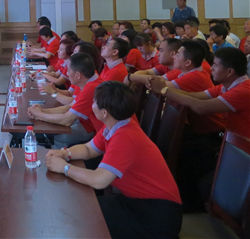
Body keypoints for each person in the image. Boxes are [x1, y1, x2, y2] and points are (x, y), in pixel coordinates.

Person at [45, 81, 182, 239]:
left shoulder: (125, 136)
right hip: (135, 201)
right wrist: (65, 154)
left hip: (155, 215)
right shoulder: (116, 124)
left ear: (104, 112)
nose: (92, 105)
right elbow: (89, 149)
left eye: (94, 102)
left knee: (82, 215)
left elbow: (99, 180)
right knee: (82, 207)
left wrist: (64, 168)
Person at [149, 48, 249, 211]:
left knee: (196, 168)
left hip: (242, 151)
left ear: (230, 71)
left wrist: (164, 90)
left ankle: (192, 205)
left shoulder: (243, 90)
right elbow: (195, 96)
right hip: (229, 143)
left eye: (216, 65)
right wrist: (163, 88)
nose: (211, 68)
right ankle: (179, 200)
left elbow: (201, 107)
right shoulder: (226, 86)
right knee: (185, 153)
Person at [29, 52, 104, 149]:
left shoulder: (91, 88)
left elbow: (67, 120)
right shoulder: (89, 81)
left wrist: (39, 115)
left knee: (59, 136)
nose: (67, 74)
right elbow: (70, 106)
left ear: (78, 75)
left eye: (68, 71)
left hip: (91, 128)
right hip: (82, 121)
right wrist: (42, 111)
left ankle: (58, 155)